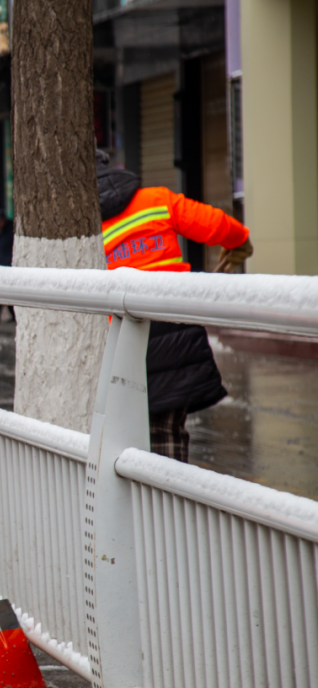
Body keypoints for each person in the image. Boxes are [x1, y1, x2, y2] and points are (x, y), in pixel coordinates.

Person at [97, 151, 252, 462]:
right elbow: (215, 223)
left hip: (122, 340)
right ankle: (165, 504)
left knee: (121, 438)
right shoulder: (155, 200)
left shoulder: (83, 229)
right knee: (168, 432)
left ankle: (142, 505)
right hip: (175, 330)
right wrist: (240, 243)